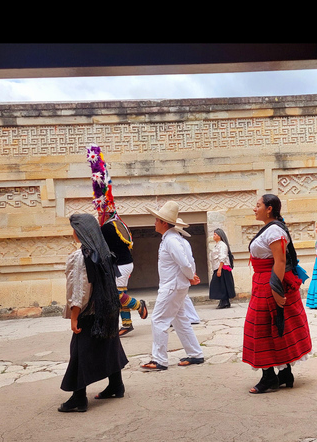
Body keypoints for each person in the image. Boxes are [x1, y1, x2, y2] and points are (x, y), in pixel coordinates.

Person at [58, 213, 129, 412]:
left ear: (80, 232)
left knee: (80, 352)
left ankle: (79, 397)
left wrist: (74, 316)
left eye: (74, 228)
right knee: (108, 345)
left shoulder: (80, 256)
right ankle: (116, 385)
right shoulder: (103, 252)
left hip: (90, 313)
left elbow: (79, 289)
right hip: (107, 310)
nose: (72, 232)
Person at [243, 194, 312, 394]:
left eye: (258, 205)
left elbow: (280, 262)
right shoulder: (271, 229)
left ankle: (269, 377)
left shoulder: (274, 230)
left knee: (263, 328)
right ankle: (284, 374)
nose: (254, 209)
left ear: (269, 208)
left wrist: (275, 289)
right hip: (263, 282)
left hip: (270, 283)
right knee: (274, 327)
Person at [86, 143, 148, 336]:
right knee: (120, 292)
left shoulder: (107, 227)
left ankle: (139, 305)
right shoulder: (116, 221)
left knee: (118, 295)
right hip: (125, 263)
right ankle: (127, 324)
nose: (98, 215)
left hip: (121, 264)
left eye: (99, 211)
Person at [141, 201, 206, 370]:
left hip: (172, 286)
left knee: (159, 320)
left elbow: (184, 263)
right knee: (180, 320)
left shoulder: (171, 240)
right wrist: (191, 275)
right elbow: (189, 261)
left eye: (156, 220)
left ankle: (160, 360)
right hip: (176, 286)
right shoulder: (176, 239)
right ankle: (195, 354)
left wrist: (191, 276)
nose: (154, 223)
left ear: (164, 222)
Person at [209, 228, 236, 309]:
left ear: (220, 236)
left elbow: (222, 257)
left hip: (222, 268)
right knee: (221, 285)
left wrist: (220, 269)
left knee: (222, 285)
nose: (214, 236)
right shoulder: (217, 245)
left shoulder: (222, 245)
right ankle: (224, 301)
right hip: (218, 267)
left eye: (215, 234)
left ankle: (224, 301)